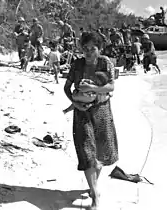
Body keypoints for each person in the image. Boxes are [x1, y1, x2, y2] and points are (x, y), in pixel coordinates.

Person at [64, 31, 118, 209]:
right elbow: (67, 87)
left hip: (102, 111)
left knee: (100, 154)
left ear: (99, 49)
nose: (88, 52)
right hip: (82, 113)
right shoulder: (77, 64)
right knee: (87, 153)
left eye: (92, 49)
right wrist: (74, 103)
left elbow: (111, 86)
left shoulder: (105, 62)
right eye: (85, 49)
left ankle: (93, 184)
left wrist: (93, 87)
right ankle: (95, 194)